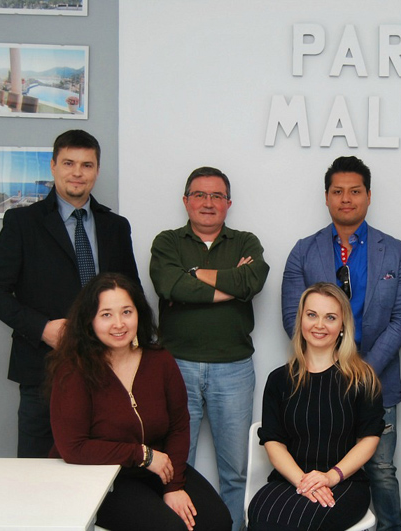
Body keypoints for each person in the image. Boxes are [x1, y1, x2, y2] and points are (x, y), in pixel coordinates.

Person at [0, 129, 140, 458]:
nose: (77, 172)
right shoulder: (22, 222)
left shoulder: (116, 226)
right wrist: (42, 328)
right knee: (38, 471)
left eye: (86, 165)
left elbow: (131, 292)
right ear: (53, 166)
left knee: (103, 466)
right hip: (44, 370)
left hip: (108, 368)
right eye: (69, 163)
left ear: (97, 170)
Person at [281, 155, 401, 531]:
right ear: (326, 197)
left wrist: (362, 371)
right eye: (337, 191)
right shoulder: (303, 251)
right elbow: (293, 317)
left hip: (377, 380)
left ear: (368, 196)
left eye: (355, 191)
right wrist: (333, 370)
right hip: (318, 382)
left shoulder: (396, 251)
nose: (346, 198)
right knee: (322, 467)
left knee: (382, 469)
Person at [48, 273, 232, 531]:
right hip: (103, 476)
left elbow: (179, 426)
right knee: (171, 529)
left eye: (127, 312)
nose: (119, 324)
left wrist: (174, 486)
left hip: (158, 466)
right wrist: (142, 455)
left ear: (139, 314)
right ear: (89, 320)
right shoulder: (74, 370)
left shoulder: (160, 360)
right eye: (106, 315)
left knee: (217, 521)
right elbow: (73, 447)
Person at [150, 166, 269, 531]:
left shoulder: (245, 242)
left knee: (236, 470)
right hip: (175, 366)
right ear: (186, 201)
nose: (208, 202)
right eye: (199, 195)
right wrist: (230, 283)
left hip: (233, 368)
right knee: (174, 467)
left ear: (228, 203)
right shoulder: (167, 242)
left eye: (217, 196)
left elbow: (252, 280)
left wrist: (193, 274)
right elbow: (169, 285)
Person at [249, 282, 385, 531]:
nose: (319, 325)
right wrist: (303, 482)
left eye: (330, 317)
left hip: (344, 483)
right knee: (261, 518)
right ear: (301, 320)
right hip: (290, 480)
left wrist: (330, 477)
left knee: (301, 524)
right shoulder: (279, 380)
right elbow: (273, 442)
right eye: (312, 315)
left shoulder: (362, 379)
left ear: (342, 325)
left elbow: (369, 439)